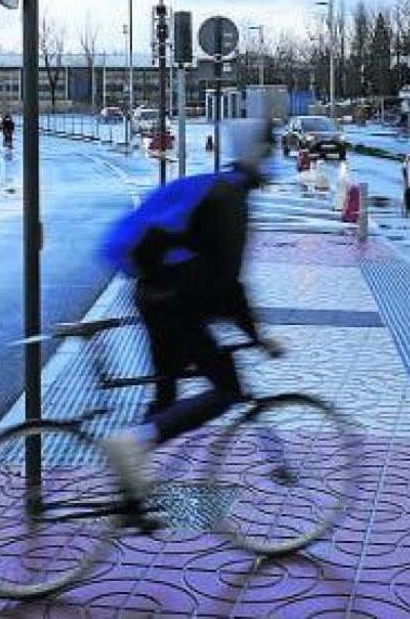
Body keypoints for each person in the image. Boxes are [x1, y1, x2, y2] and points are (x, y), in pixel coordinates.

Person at [99, 119, 280, 501]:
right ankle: (131, 448)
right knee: (227, 389)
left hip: (153, 296)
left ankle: (129, 504)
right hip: (174, 305)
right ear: (258, 156)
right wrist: (258, 336)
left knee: (166, 398)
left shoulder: (217, 187)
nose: (272, 161)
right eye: (268, 153)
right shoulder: (231, 201)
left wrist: (250, 331)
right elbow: (228, 284)